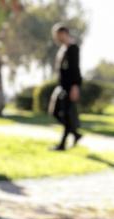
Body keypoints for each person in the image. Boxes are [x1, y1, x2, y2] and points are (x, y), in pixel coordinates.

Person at [49, 23, 82, 151]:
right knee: (55, 112)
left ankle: (63, 144)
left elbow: (75, 69)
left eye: (58, 35)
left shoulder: (73, 48)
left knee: (66, 114)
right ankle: (75, 133)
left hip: (69, 87)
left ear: (64, 33)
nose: (56, 38)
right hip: (61, 85)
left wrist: (75, 86)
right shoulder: (63, 48)